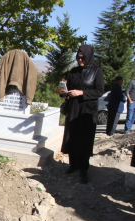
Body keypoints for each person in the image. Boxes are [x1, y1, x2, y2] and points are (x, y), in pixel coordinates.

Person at [59, 45, 104, 184]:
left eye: (82, 58)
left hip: (87, 110)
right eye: (78, 58)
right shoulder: (74, 71)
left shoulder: (97, 71)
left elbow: (99, 91)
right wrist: (64, 92)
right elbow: (69, 89)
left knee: (84, 138)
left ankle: (84, 169)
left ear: (88, 56)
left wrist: (81, 93)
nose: (80, 60)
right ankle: (73, 165)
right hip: (73, 107)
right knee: (71, 135)